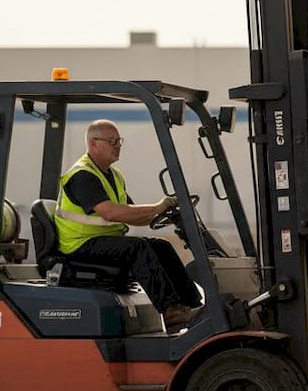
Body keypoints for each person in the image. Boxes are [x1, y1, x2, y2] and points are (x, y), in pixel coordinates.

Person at [54, 119, 202, 327]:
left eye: (119, 141)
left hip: (103, 241)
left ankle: (194, 304)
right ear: (93, 144)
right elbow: (110, 213)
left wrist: (162, 211)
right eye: (112, 141)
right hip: (79, 245)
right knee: (137, 248)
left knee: (161, 245)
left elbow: (131, 213)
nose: (118, 145)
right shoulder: (82, 175)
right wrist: (155, 208)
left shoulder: (114, 176)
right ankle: (170, 310)